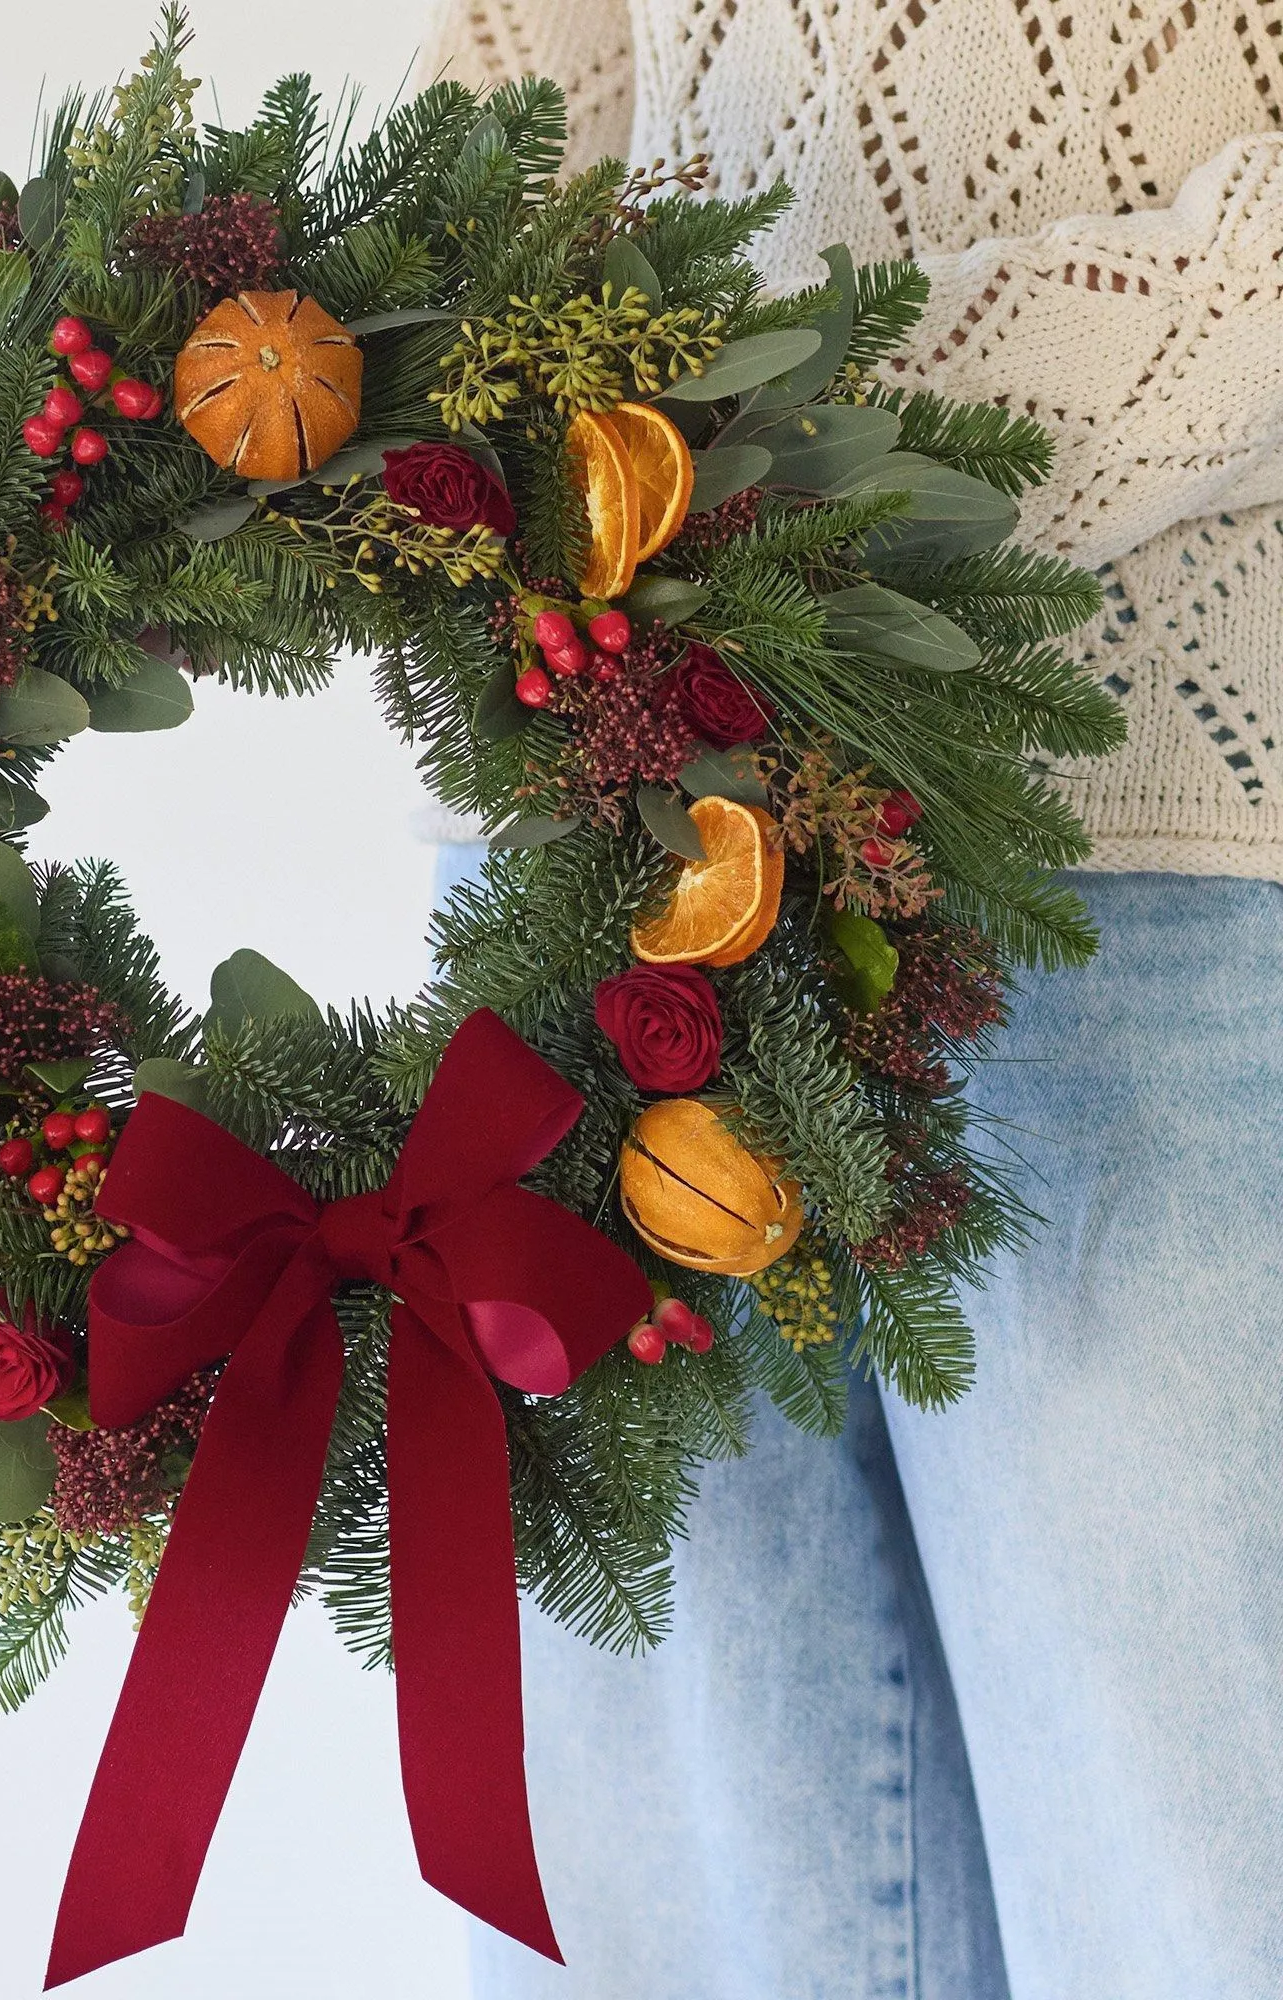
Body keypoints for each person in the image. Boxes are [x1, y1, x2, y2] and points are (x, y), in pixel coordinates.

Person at [420, 5, 1283, 1996]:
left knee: (1193, 1885)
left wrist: (788, 471)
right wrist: (472, 474)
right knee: (684, 1907)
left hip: (1157, 841)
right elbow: (518, 99)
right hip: (619, 834)